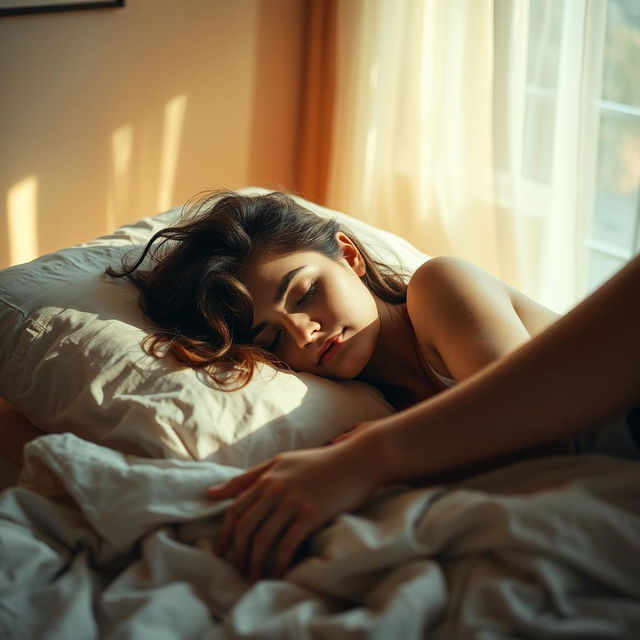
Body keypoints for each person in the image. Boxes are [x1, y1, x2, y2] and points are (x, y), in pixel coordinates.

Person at [107, 190, 640, 581]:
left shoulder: (439, 288)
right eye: (270, 338)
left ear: (351, 256)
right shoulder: (373, 406)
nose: (302, 331)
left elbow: (538, 435)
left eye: (306, 292)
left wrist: (368, 460)